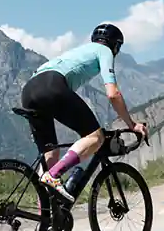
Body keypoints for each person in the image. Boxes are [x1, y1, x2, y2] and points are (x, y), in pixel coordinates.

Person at [20, 23, 148, 203]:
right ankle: (54, 175)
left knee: (51, 154)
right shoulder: (104, 51)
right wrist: (132, 125)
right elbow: (113, 94)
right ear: (115, 45)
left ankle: (46, 221)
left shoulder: (79, 51)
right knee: (96, 136)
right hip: (51, 86)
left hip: (29, 90)